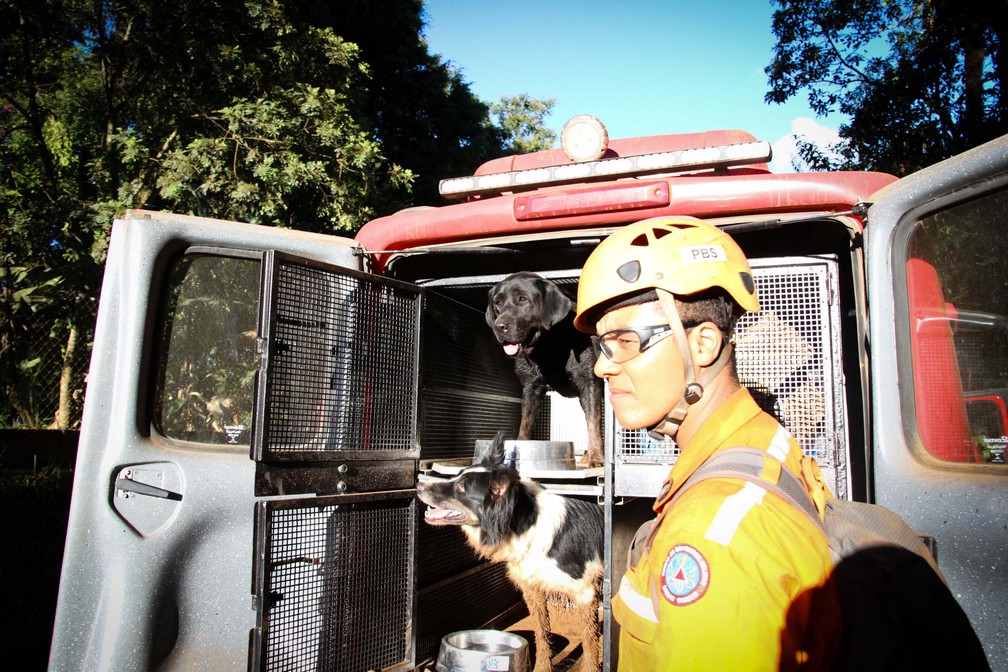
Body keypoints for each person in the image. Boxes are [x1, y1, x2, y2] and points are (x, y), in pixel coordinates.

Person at [573, 215, 839, 670]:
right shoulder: (761, 440)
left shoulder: (713, 536)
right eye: (602, 345)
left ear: (703, 344)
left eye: (625, 341)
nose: (601, 367)